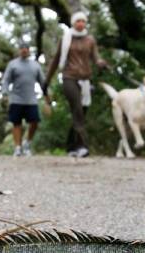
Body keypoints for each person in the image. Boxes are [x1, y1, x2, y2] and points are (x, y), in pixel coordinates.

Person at [46, 11, 108, 158]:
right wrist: (46, 80)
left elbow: (95, 57)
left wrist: (100, 63)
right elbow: (56, 60)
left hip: (85, 79)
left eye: (83, 21)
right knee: (77, 108)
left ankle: (70, 146)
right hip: (69, 77)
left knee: (80, 113)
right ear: (73, 23)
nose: (80, 24)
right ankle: (82, 146)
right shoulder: (66, 39)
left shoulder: (90, 40)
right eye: (77, 21)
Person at [1, 42, 50, 157]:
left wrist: (47, 96)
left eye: (26, 48)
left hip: (31, 99)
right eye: (22, 48)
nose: (24, 50)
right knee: (16, 123)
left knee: (35, 122)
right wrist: (5, 93)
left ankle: (27, 143)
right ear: (19, 50)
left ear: (29, 51)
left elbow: (42, 82)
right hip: (16, 99)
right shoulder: (13, 64)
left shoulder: (35, 65)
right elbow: (6, 80)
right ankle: (17, 147)